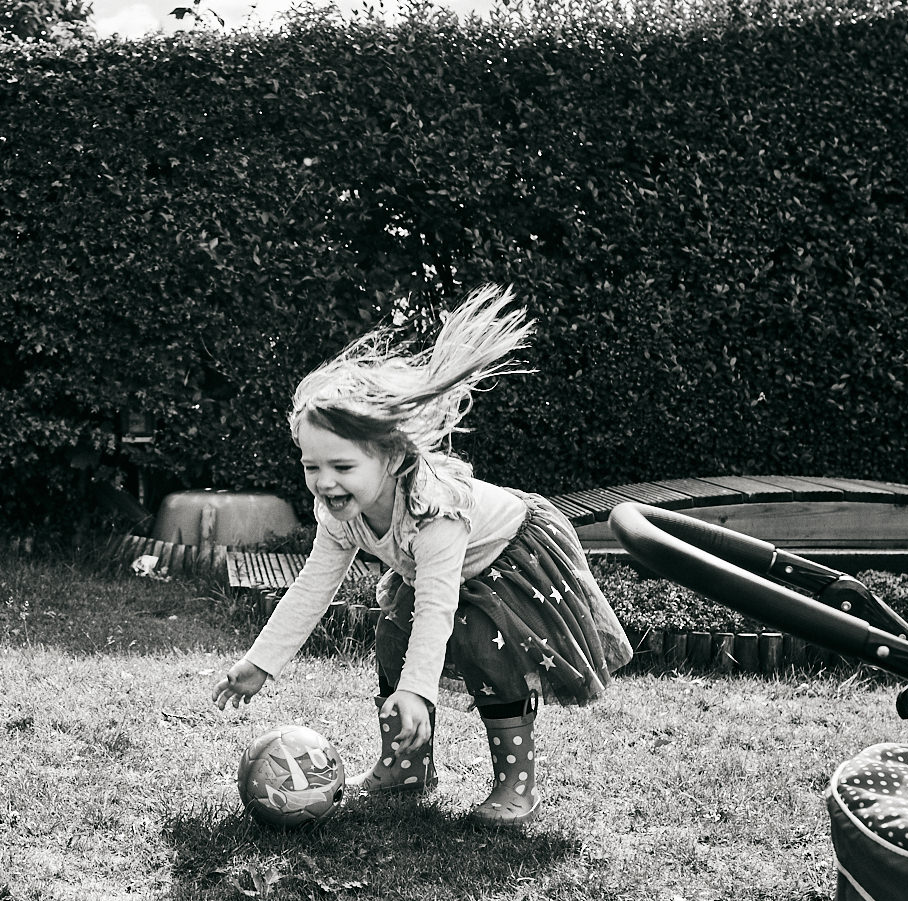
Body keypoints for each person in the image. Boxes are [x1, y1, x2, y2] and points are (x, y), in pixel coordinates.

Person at [211, 286, 632, 827]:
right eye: (311, 466)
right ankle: (407, 766)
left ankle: (515, 786)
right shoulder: (338, 514)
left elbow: (438, 604)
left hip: (507, 557)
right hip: (443, 575)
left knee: (485, 647)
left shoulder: (434, 511)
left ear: (388, 455)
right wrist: (259, 663)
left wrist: (418, 690)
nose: (324, 482)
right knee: (393, 635)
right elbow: (312, 588)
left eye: (341, 466)